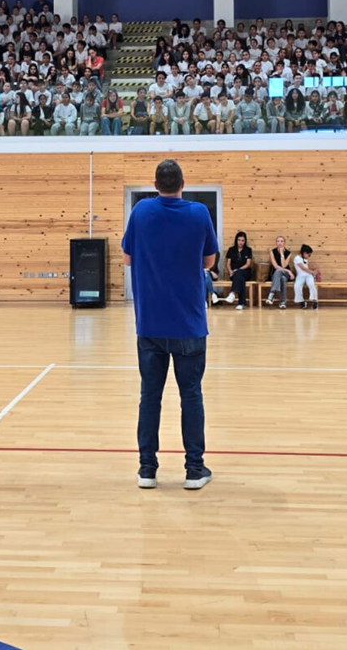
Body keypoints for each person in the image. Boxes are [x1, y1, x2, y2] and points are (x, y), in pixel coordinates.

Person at [121, 158, 219, 490]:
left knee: (150, 396)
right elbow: (209, 261)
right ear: (183, 184)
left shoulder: (141, 212)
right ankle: (194, 470)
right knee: (191, 395)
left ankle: (147, 470)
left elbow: (127, 257)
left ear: (155, 185)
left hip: (150, 323)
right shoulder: (199, 213)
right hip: (189, 324)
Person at [224, 231, 253, 310]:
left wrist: (238, 270)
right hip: (233, 273)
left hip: (245, 272)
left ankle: (233, 292)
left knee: (239, 274)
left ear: (245, 241)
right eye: (239, 240)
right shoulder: (231, 250)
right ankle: (241, 303)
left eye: (242, 240)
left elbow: (248, 264)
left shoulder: (248, 250)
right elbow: (228, 263)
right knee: (240, 279)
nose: (240, 242)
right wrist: (230, 271)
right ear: (236, 240)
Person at [265, 236, 293, 309]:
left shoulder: (288, 253)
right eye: (278, 241)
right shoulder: (272, 252)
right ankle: (283, 302)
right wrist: (288, 271)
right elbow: (275, 266)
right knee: (282, 278)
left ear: (284, 243)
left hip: (285, 273)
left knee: (281, 273)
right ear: (276, 243)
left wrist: (282, 254)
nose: (280, 243)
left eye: (281, 241)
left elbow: (284, 265)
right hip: (275, 274)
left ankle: (272, 294)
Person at [292, 243, 318, 308]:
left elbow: (306, 268)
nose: (309, 256)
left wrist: (313, 272)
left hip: (308, 275)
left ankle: (314, 300)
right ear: (305, 253)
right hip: (300, 275)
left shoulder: (305, 259)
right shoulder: (297, 258)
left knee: (311, 284)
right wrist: (312, 272)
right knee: (297, 286)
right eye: (309, 255)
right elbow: (303, 268)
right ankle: (301, 301)